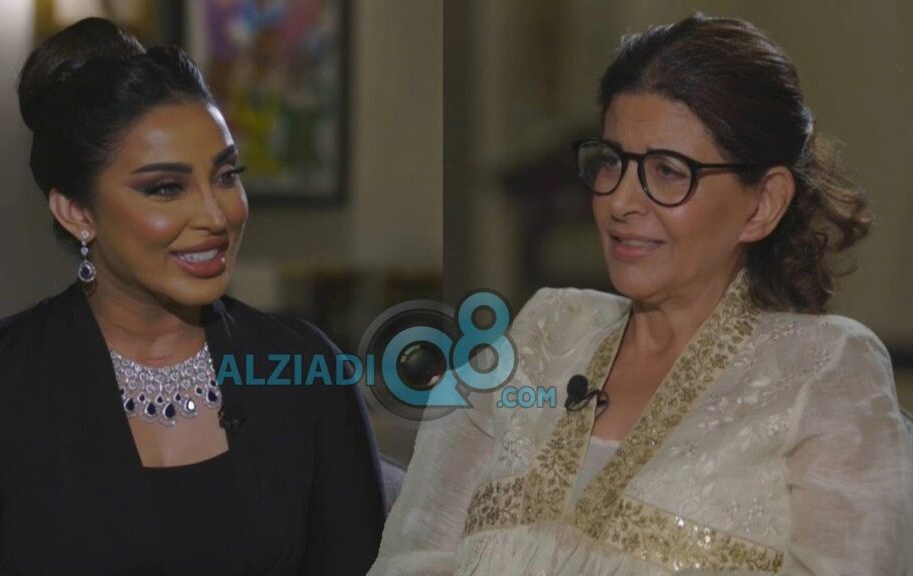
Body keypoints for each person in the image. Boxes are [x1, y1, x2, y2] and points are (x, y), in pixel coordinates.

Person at [370, 13, 913, 576]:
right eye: (612, 161)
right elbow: (412, 557)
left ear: (763, 203)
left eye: (669, 171)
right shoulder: (540, 336)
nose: (621, 201)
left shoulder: (822, 370)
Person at [0, 17, 385, 575]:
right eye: (166, 188)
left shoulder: (307, 374)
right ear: (76, 211)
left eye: (226, 176)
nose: (215, 215)